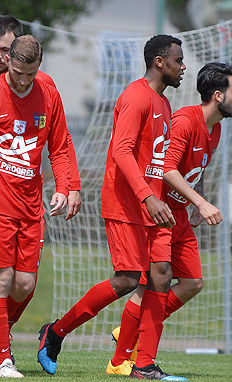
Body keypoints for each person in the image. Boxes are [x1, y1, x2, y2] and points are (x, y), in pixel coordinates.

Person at [37, 34, 186, 380]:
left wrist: (166, 198)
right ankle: (56, 332)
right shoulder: (135, 97)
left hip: (155, 207)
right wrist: (147, 196)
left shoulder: (164, 104)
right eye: (178, 60)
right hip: (126, 204)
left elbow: (156, 161)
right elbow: (121, 152)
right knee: (127, 280)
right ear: (159, 62)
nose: (183, 67)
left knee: (161, 277)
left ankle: (144, 364)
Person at [108, 62, 232, 376]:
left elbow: (199, 167)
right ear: (218, 95)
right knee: (150, 285)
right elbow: (167, 169)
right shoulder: (184, 120)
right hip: (162, 215)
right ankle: (124, 358)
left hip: (181, 214)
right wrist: (203, 203)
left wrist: (198, 200)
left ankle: (134, 334)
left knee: (193, 282)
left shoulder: (216, 128)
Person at [0, 34, 72, 378]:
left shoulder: (48, 93)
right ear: (9, 61)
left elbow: (61, 146)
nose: (23, 81)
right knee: (1, 279)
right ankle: (3, 360)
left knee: (24, 285)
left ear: (39, 67)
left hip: (31, 204)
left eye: (30, 74)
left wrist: (64, 187)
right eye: (18, 72)